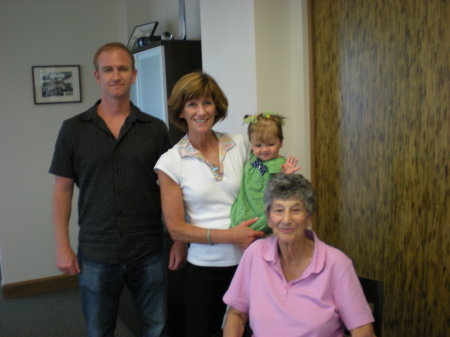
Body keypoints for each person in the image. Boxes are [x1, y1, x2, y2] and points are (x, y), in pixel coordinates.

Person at [49, 42, 172, 337]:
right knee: (99, 330)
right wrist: (62, 246)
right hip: (96, 250)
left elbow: (171, 189)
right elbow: (62, 190)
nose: (115, 76)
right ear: (97, 77)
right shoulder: (73, 129)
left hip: (148, 249)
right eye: (108, 70)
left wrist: (178, 237)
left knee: (156, 327)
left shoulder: (155, 129)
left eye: (122, 69)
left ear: (134, 75)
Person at [154, 71, 265, 337]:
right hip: (205, 270)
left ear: (217, 107)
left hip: (251, 262)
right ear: (180, 111)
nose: (201, 111)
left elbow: (261, 176)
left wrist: (277, 169)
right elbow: (177, 229)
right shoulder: (170, 163)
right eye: (192, 104)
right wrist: (231, 236)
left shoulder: (239, 144)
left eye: (207, 103)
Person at [223, 174, 376, 337]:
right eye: (279, 210)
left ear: (308, 218)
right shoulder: (255, 254)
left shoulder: (337, 263)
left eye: (296, 210)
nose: (286, 219)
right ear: (269, 219)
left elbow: (362, 330)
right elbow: (236, 315)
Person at [230, 111, 300, 233]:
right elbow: (262, 170)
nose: (264, 149)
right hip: (245, 205)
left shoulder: (277, 164)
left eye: (271, 144)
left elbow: (279, 186)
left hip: (262, 211)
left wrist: (286, 175)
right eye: (258, 145)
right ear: (251, 144)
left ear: (281, 143)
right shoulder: (255, 160)